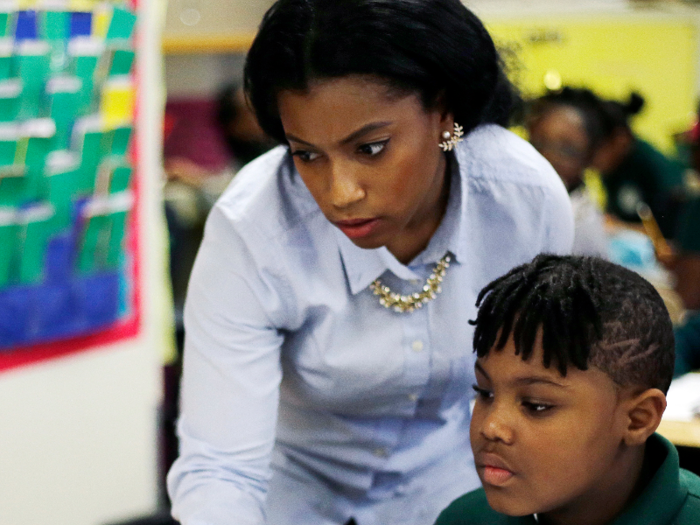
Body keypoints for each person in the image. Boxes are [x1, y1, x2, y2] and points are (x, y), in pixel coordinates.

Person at [166, 1, 574, 524]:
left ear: (445, 113)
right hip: (290, 493)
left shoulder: (521, 202)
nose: (339, 193)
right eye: (306, 154)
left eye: (372, 148)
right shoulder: (254, 230)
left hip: (459, 488)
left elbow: (550, 392)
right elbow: (220, 468)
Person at [435, 254, 700, 525]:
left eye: (536, 405)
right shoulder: (466, 519)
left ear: (637, 419)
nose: (490, 426)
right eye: (484, 392)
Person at [527, 88, 609, 257]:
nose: (547, 156)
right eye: (538, 143)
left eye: (567, 149)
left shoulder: (582, 226)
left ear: (590, 156)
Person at [593, 93, 686, 239]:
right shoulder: (612, 168)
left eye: (595, 147)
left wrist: (619, 227)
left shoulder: (657, 169)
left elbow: (667, 239)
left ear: (620, 139)